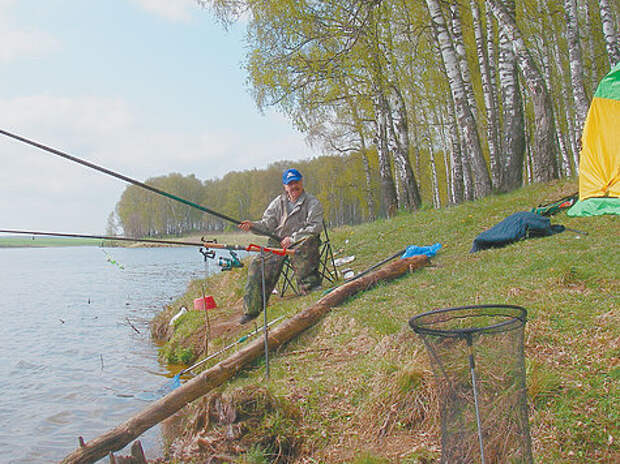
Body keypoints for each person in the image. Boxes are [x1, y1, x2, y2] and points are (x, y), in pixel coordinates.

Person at [237, 168, 324, 324]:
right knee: (258, 264)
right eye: (290, 184)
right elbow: (267, 224)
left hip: (302, 242)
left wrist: (292, 239)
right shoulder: (278, 202)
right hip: (277, 242)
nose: (293, 186)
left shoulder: (312, 203)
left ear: (301, 182)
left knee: (305, 246)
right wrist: (252, 226)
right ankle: (252, 311)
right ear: (285, 186)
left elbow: (315, 227)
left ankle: (310, 290)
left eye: (296, 182)